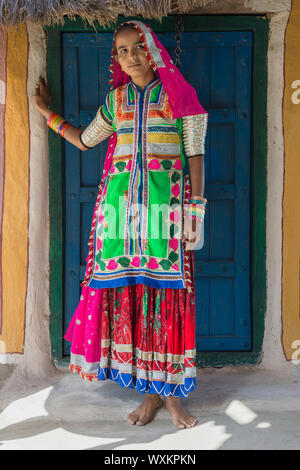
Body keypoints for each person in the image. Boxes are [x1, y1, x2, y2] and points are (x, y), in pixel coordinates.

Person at [34, 20, 208, 429]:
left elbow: (196, 155)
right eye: (122, 51)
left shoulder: (180, 95)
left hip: (166, 217)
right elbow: (85, 140)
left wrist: (195, 212)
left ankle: (170, 398)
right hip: (118, 220)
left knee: (166, 300)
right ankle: (148, 396)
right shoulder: (116, 101)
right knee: (133, 296)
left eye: (136, 47)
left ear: (153, 49)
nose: (129, 57)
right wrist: (47, 114)